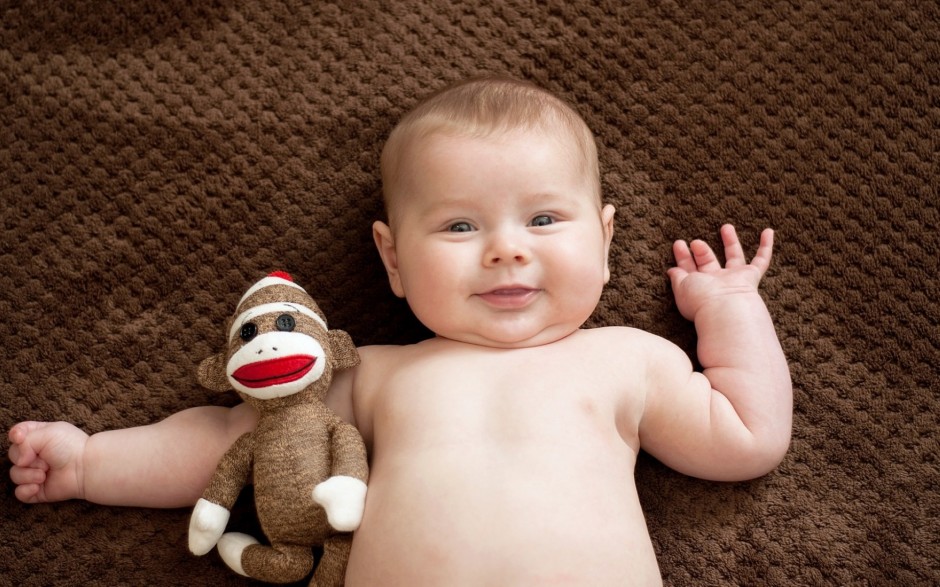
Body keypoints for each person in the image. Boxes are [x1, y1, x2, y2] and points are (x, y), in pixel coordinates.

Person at [8, 75, 792, 586]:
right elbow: (229, 439)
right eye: (458, 225)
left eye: (545, 218)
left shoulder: (627, 359)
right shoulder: (371, 373)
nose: (506, 247)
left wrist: (727, 309)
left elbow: (748, 435)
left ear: (606, 238)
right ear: (392, 258)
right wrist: (91, 460)